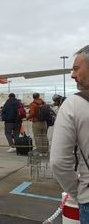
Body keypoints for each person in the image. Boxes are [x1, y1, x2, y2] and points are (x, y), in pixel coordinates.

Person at [51, 45, 89, 222]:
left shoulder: (74, 104)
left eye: (75, 68)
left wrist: (80, 193)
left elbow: (59, 163)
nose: (72, 75)